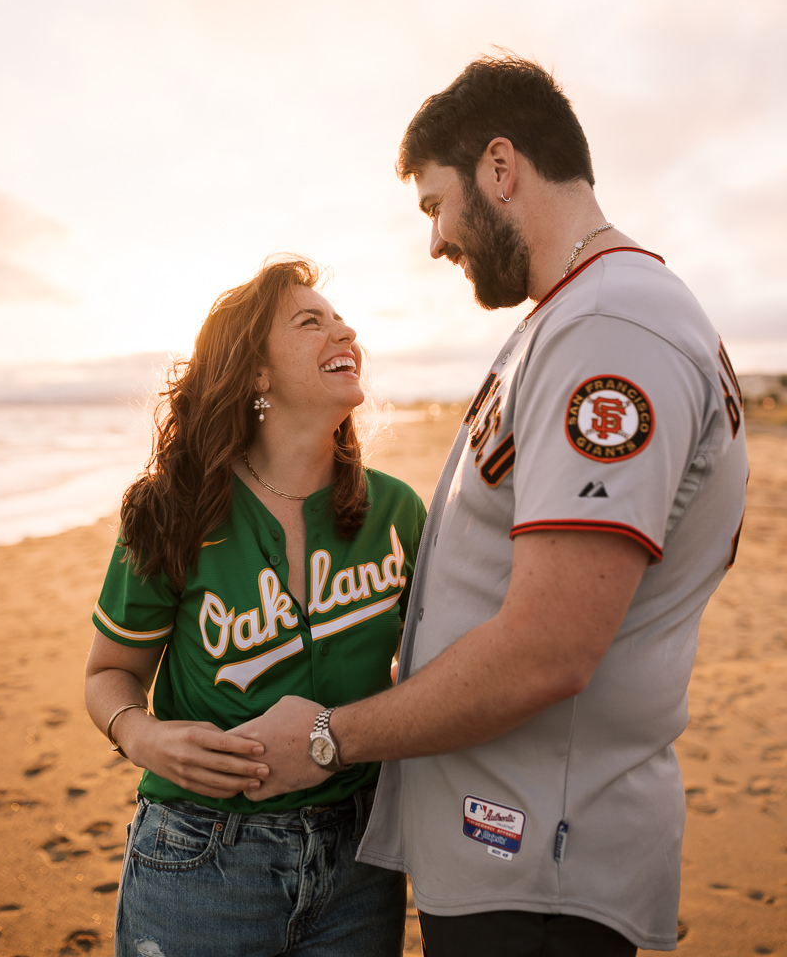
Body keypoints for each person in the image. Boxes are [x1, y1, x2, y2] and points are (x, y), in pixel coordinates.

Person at [235, 56, 749, 956]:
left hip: (539, 866)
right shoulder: (576, 316)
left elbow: (548, 651)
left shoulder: (610, 329)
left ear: (500, 170)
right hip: (510, 846)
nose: (435, 241)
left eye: (436, 205)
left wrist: (327, 737)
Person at [84, 256, 426, 957]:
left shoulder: (396, 511)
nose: (345, 331)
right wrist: (143, 736)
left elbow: (438, 673)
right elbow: (107, 675)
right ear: (256, 375)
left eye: (342, 320)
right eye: (312, 322)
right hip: (201, 856)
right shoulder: (172, 511)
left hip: (361, 856)